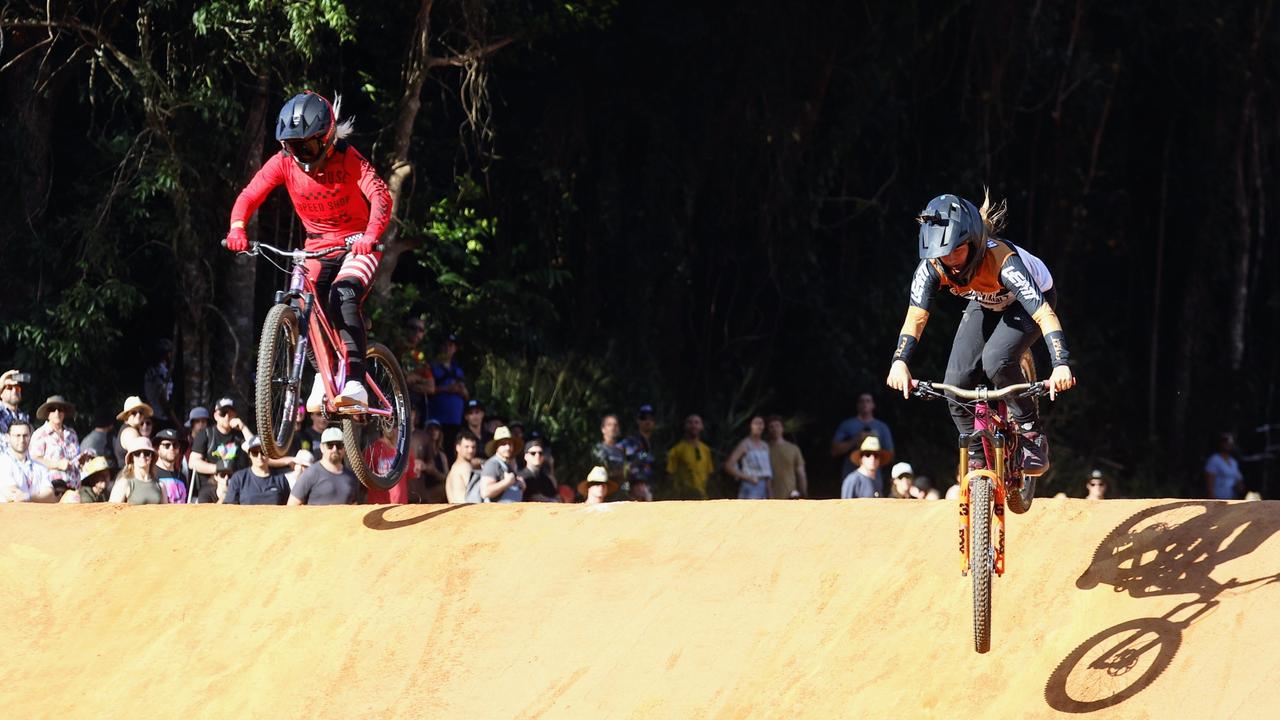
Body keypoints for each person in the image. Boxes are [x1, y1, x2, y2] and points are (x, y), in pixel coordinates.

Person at [886, 192, 1076, 477]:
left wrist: (1061, 362)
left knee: (996, 360)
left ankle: (1031, 434)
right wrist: (899, 361)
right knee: (955, 383)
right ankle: (976, 454)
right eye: (940, 254)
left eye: (955, 250)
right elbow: (916, 315)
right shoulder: (932, 266)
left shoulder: (1003, 261)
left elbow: (1043, 314)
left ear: (974, 243)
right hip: (985, 300)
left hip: (1031, 302)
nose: (949, 261)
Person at [225, 90, 393, 410]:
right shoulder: (284, 163)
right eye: (292, 146)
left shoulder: (350, 158)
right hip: (316, 246)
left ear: (327, 137)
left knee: (342, 294)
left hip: (357, 244)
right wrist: (237, 227)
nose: (301, 154)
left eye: (308, 145)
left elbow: (381, 197)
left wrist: (370, 235)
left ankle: (356, 381)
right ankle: (322, 374)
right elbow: (249, 196)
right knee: (307, 303)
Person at [189, 397, 255, 498]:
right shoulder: (206, 434)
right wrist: (219, 468)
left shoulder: (239, 436)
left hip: (236, 485)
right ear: (216, 416)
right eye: (223, 413)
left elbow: (256, 447)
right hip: (210, 487)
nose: (227, 417)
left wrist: (243, 427)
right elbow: (193, 463)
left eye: (230, 413)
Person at [831, 393, 895, 487]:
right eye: (862, 401)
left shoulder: (882, 427)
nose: (865, 404)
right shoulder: (847, 425)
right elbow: (834, 451)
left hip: (875, 478)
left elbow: (891, 456)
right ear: (857, 405)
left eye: (868, 401)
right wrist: (855, 440)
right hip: (850, 475)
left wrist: (873, 449)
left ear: (873, 405)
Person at [289, 427, 359, 505]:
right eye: (330, 445)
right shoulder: (311, 474)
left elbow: (354, 507)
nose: (334, 449)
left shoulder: (351, 477)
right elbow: (292, 506)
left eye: (339, 445)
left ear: (344, 448)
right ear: (322, 447)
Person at [30, 395, 83, 491]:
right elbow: (34, 459)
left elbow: (76, 457)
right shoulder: (40, 434)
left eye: (60, 409)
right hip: (52, 488)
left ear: (64, 413)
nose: (57, 412)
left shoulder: (72, 434)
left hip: (75, 486)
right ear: (47, 414)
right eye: (52, 409)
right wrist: (57, 464)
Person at [222, 436, 290, 505]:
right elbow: (230, 507)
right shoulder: (239, 478)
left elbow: (289, 507)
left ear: (269, 454)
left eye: (263, 452)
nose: (259, 456)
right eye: (255, 452)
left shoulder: (280, 479)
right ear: (249, 455)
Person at [428, 334, 469, 448]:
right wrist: (447, 389)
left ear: (455, 348)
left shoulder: (458, 370)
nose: (447, 348)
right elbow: (427, 390)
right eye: (445, 345)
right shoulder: (432, 366)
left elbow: (466, 395)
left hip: (455, 420)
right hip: (437, 419)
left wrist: (462, 391)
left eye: (451, 345)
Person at [0, 420, 54, 502]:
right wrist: (38, 497)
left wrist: (28, 497)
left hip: (38, 513)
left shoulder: (40, 467)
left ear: (30, 436)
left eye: (25, 435)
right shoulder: (3, 462)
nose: (22, 440)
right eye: (17, 436)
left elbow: (50, 495)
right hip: (10, 513)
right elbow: (13, 494)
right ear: (8, 437)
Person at [665, 414, 714, 500]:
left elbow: (709, 473)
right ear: (685, 426)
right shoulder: (677, 450)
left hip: (703, 496)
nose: (693, 425)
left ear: (702, 426)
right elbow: (670, 474)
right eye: (690, 423)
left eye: (697, 423)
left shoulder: (706, 450)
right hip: (684, 496)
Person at [724, 415, 772, 500]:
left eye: (761, 423)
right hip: (750, 486)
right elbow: (728, 465)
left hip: (763, 486)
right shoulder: (745, 444)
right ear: (750, 426)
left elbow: (767, 471)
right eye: (755, 423)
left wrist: (770, 492)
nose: (758, 426)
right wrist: (748, 478)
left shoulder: (765, 446)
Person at [400, 316, 435, 430]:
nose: (417, 332)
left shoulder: (420, 356)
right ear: (405, 330)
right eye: (413, 328)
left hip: (417, 409)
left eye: (421, 330)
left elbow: (431, 387)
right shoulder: (396, 349)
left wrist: (415, 379)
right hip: (396, 405)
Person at [109, 436, 167, 504]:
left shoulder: (160, 485)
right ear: (132, 457)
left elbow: (166, 512)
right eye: (137, 453)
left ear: (152, 457)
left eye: (147, 453)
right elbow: (112, 511)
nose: (142, 456)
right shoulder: (124, 483)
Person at [619, 405, 659, 501]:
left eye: (651, 418)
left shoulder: (657, 443)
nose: (647, 421)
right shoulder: (630, 441)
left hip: (652, 488)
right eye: (643, 417)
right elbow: (616, 451)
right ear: (638, 420)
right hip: (634, 490)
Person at [766, 415, 808, 499]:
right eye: (771, 427)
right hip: (769, 496)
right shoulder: (764, 449)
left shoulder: (793, 448)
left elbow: (801, 473)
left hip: (790, 495)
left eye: (777, 426)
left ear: (782, 428)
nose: (775, 429)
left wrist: (803, 492)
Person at [478, 426, 522, 503]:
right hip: (495, 513)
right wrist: (507, 482)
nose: (508, 447)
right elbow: (485, 492)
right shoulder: (492, 464)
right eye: (503, 444)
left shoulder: (507, 464)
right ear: (496, 447)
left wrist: (520, 485)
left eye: (510, 443)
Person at [112, 396, 153, 470]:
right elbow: (140, 458)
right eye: (134, 413)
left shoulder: (131, 430)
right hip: (130, 477)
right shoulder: (130, 432)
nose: (138, 415)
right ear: (127, 416)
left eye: (140, 412)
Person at [143, 338, 176, 426]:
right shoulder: (159, 372)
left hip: (154, 414)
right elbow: (163, 400)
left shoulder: (153, 370)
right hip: (160, 417)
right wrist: (176, 422)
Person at [592, 414, 627, 497]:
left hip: (620, 492)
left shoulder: (621, 450)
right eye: (609, 425)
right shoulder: (598, 449)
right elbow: (601, 472)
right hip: (603, 491)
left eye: (615, 425)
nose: (613, 427)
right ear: (603, 429)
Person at [1204, 433, 1243, 500]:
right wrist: (1212, 499)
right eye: (1225, 441)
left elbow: (1239, 481)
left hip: (1231, 501)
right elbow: (1209, 484)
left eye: (1230, 442)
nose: (1228, 444)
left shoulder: (1233, 462)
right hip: (1217, 500)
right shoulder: (1214, 460)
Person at [153, 428, 187, 503]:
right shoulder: (151, 474)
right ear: (157, 448)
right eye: (167, 445)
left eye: (175, 445)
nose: (171, 448)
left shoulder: (182, 477)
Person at [445, 430, 480, 503]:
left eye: (473, 447)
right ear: (458, 448)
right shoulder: (464, 466)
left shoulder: (454, 468)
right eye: (466, 447)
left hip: (456, 511)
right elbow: (478, 492)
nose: (470, 450)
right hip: (467, 511)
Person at [0, 369, 30, 435]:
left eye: (17, 388)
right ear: (1, 393)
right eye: (9, 387)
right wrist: (2, 379)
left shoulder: (23, 417)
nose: (14, 391)